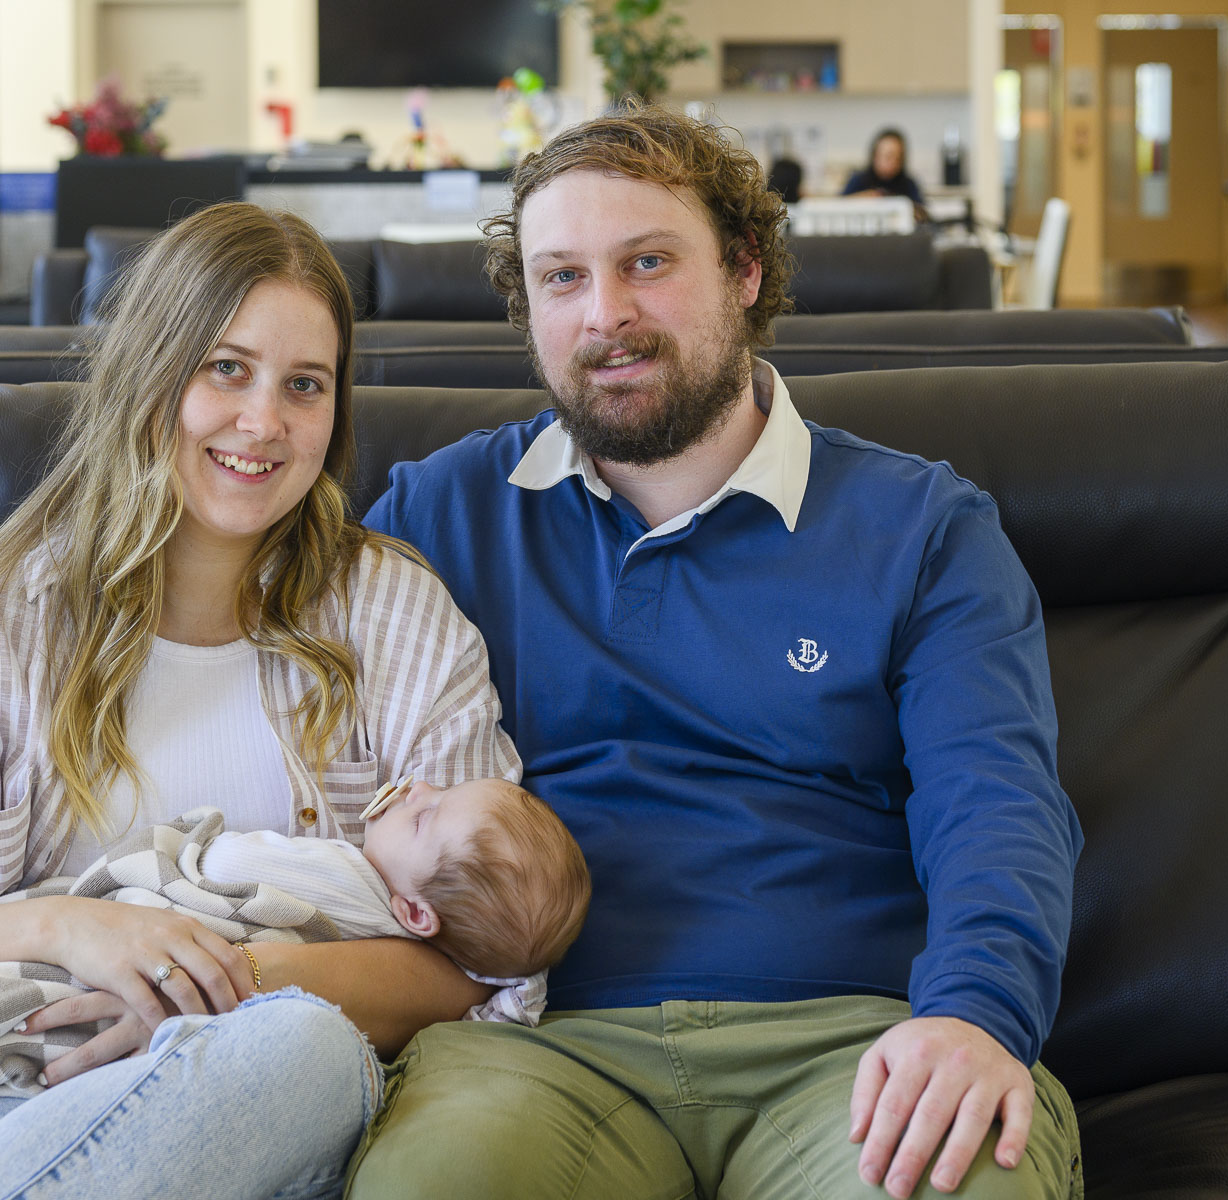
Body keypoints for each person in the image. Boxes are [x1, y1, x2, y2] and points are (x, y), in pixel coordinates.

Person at [351, 106, 1085, 1200]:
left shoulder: (920, 525)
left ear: (745, 271)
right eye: (561, 278)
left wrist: (977, 1014)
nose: (607, 315)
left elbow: (997, 800)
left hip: (850, 1043)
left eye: (648, 262)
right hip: (536, 1049)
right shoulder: (441, 512)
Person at [0, 201, 523, 1200]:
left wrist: (215, 991)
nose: (264, 423)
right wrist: (76, 932)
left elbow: (477, 952)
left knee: (307, 1051)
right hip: (0, 1093)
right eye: (225, 369)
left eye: (305, 386)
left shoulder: (395, 616)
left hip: (263, 1096)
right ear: (152, 372)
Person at [202, 776, 590, 978]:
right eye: (443, 790)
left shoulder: (351, 882)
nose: (418, 788)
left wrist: (191, 840)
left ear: (416, 914)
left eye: (424, 817)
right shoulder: (406, 936)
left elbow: (225, 863)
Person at [844, 126, 927, 206]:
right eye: (889, 156)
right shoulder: (859, 180)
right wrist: (861, 198)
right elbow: (838, 204)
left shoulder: (908, 184)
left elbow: (923, 211)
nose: (893, 162)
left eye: (898, 157)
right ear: (875, 155)